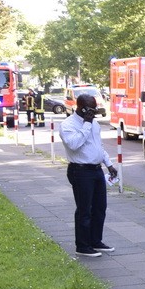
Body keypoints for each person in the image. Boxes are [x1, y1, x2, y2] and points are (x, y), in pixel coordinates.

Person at [60, 93, 118, 257]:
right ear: (80, 107)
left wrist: (109, 164)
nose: (93, 112)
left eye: (94, 108)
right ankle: (83, 245)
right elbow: (74, 144)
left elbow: (97, 145)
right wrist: (86, 123)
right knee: (85, 209)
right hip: (80, 171)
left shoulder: (94, 123)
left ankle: (95, 240)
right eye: (90, 108)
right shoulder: (68, 124)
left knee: (100, 208)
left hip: (96, 169)